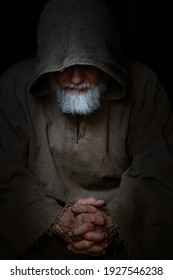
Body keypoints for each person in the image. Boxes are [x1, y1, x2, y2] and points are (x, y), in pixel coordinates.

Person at [0, 0, 173, 260]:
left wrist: (113, 223)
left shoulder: (144, 83)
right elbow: (4, 172)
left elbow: (158, 171)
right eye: (63, 66)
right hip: (36, 237)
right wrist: (55, 221)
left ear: (108, 59)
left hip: (125, 238)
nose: (77, 78)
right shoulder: (14, 85)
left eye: (89, 65)